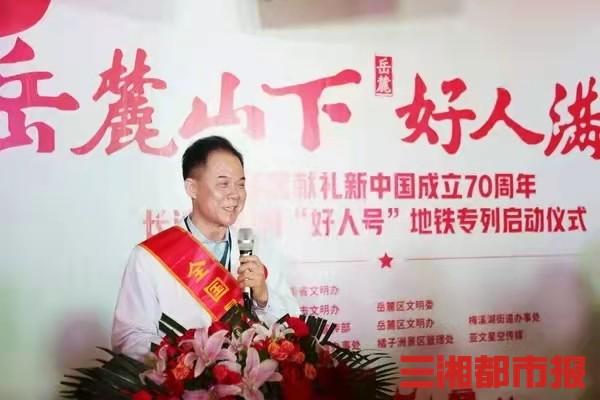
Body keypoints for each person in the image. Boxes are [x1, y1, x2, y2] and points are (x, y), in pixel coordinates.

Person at [111, 136, 300, 360]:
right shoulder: (149, 258)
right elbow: (129, 338)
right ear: (192, 188)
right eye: (224, 184)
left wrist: (263, 297)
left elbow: (295, 329)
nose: (235, 194)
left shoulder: (261, 249)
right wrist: (187, 362)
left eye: (240, 184)